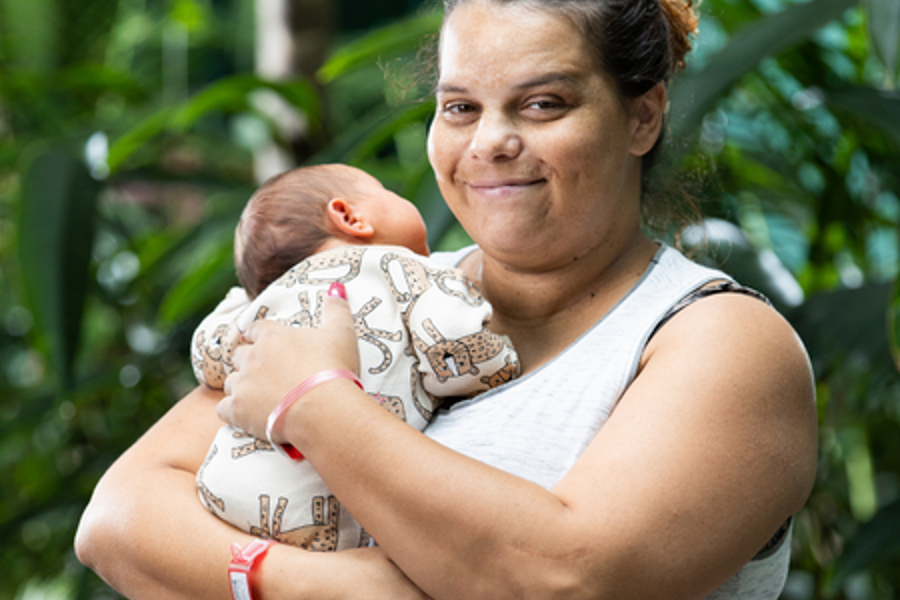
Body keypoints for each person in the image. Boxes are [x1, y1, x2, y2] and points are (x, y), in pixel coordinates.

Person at [75, 1, 819, 599]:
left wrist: (315, 402)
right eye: (460, 107)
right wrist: (316, 586)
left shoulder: (721, 341)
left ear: (643, 116)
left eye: (543, 104)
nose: (490, 142)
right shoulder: (368, 286)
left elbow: (570, 578)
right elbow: (117, 518)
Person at [191, 163, 519, 551]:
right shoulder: (407, 271)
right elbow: (454, 352)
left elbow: (208, 357)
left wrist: (240, 303)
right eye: (385, 189)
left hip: (226, 491)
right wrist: (505, 361)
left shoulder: (268, 307)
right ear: (349, 216)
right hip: (341, 512)